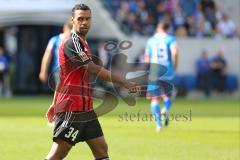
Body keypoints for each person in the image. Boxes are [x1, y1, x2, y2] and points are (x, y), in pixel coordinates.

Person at [44, 4, 140, 160]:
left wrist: (55, 103)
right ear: (73, 20)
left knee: (101, 149)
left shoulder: (83, 43)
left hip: (86, 110)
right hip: (72, 109)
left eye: (87, 19)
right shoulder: (72, 42)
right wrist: (124, 82)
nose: (84, 22)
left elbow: (63, 77)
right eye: (80, 19)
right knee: (58, 153)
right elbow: (92, 69)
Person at [144, 20, 179, 131]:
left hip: (154, 70)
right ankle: (165, 108)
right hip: (167, 70)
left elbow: (147, 57)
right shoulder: (170, 39)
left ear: (158, 29)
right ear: (167, 29)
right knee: (169, 94)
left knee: (154, 99)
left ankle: (158, 125)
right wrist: (175, 65)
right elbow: (175, 52)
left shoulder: (151, 40)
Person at [39, 20, 72, 85]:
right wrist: (43, 71)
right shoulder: (55, 40)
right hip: (58, 70)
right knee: (63, 91)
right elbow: (47, 56)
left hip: (72, 71)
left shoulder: (75, 41)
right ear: (65, 29)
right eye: (70, 31)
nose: (71, 34)